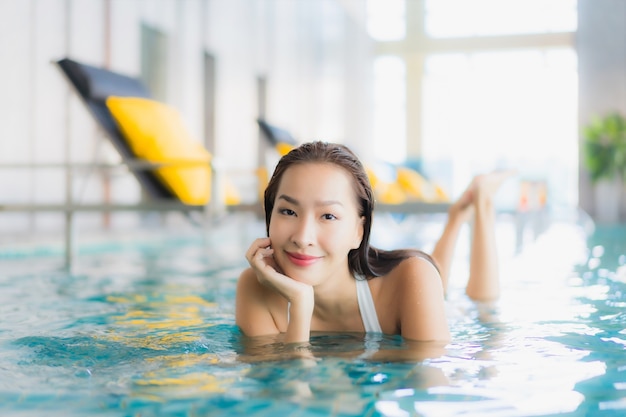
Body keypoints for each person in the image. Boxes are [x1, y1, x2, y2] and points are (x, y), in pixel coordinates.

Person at [236, 141, 512, 344]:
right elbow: (285, 397)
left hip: (429, 296)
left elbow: (429, 382)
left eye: (328, 215)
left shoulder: (410, 277)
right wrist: (299, 303)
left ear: (359, 230)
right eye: (288, 211)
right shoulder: (255, 287)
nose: (302, 237)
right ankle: (456, 218)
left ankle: (482, 198)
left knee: (483, 313)